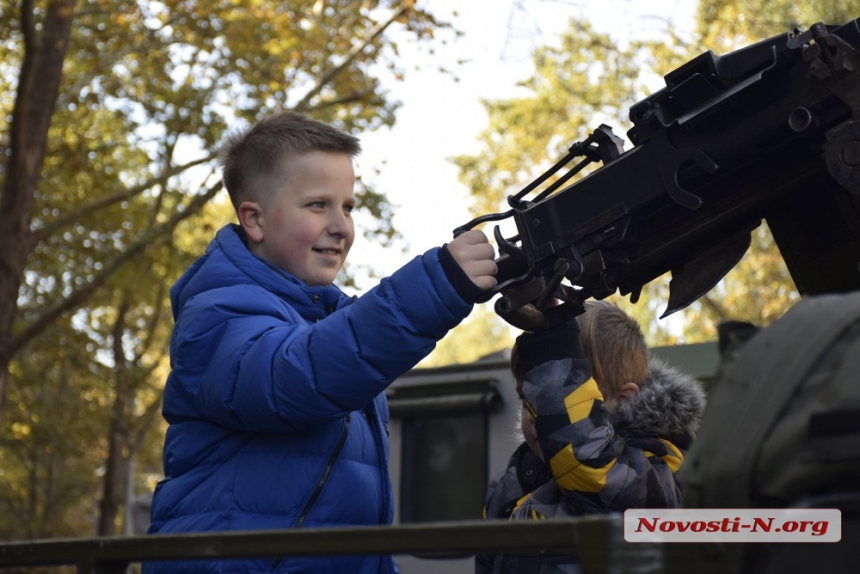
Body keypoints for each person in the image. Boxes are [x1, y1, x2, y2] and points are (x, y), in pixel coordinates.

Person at [142, 110, 497, 574]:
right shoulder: (216, 313)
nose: (341, 225)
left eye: (348, 206)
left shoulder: (330, 321)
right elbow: (293, 378)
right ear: (255, 220)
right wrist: (435, 288)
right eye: (317, 205)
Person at [476, 300, 706, 574]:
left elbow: (592, 465)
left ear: (624, 400)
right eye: (529, 400)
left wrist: (555, 351)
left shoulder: (659, 469)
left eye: (561, 402)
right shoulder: (509, 485)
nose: (538, 419)